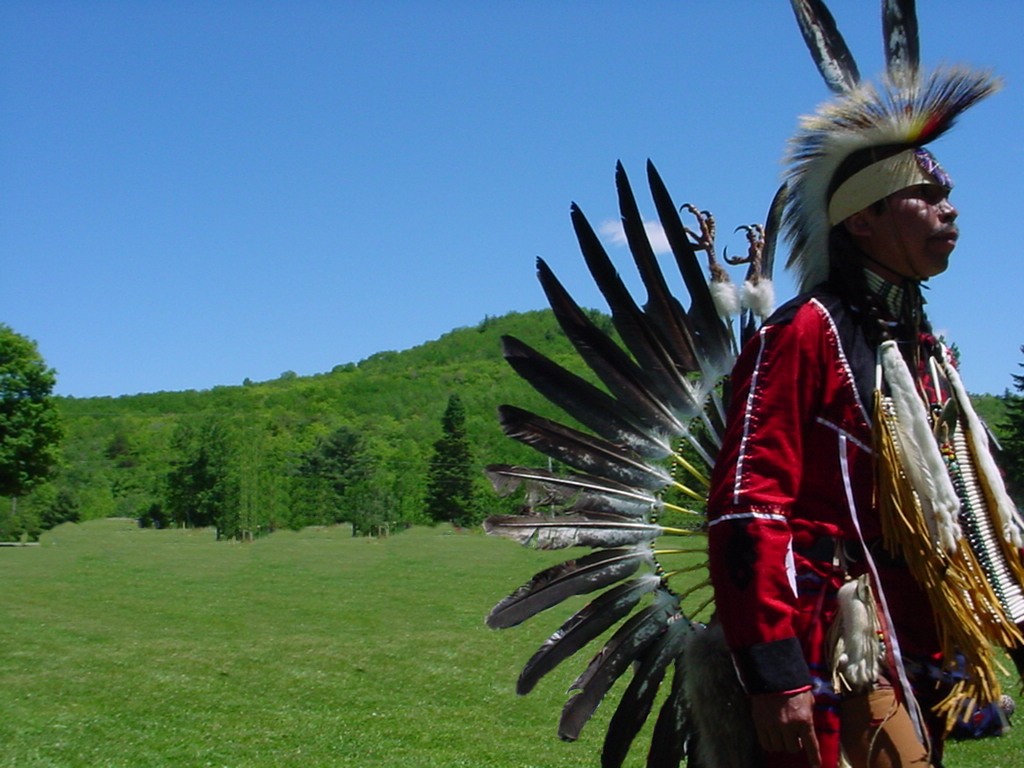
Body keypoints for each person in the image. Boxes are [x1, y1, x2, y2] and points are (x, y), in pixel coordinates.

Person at [704, 17, 1024, 768]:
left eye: (948, 194)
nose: (950, 208)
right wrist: (774, 671)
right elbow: (749, 505)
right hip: (833, 644)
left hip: (914, 634)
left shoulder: (922, 352)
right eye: (925, 194)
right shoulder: (803, 334)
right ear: (864, 221)